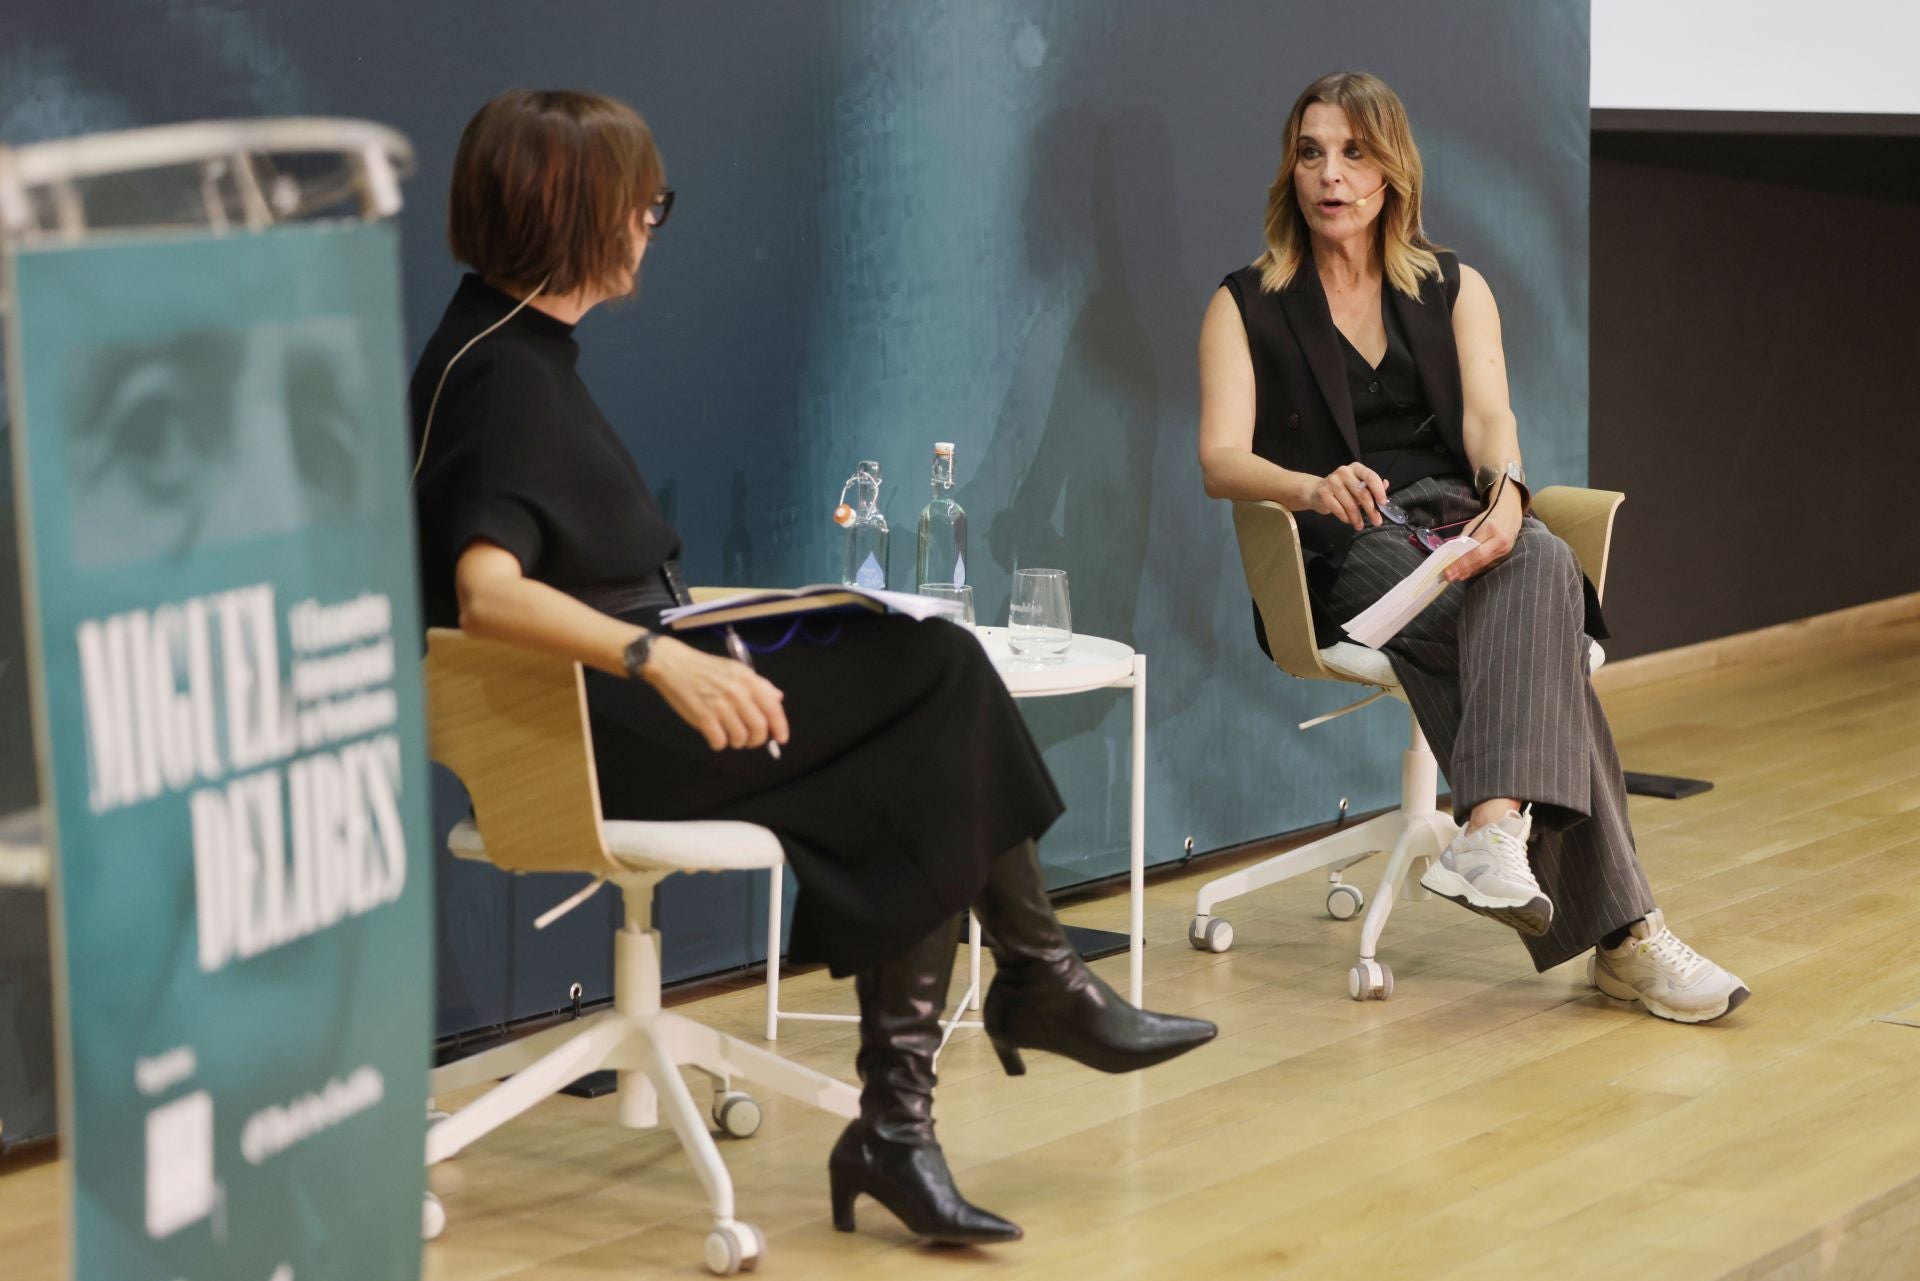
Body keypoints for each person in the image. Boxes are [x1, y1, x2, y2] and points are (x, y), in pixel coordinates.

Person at [410, 89, 1214, 1246]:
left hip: (621, 712)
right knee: (935, 682)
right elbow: (485, 593)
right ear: (574, 211)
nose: (648, 223)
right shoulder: (504, 377)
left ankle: (939, 1085)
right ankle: (1005, 1013)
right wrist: (662, 661)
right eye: (642, 202)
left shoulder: (505, 349)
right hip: (597, 737)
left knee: (924, 699)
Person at [1196, 71, 1749, 1024]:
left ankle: (1490, 826)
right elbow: (1219, 458)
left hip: (1450, 520)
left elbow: (1492, 420)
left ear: (1392, 171)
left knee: (1535, 554)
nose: (1331, 174)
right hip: (1346, 548)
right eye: (1312, 153)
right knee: (1535, 645)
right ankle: (1628, 938)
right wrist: (1310, 486)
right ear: (1292, 170)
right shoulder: (1246, 302)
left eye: (1354, 153)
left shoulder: (1455, 287)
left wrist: (1506, 493)